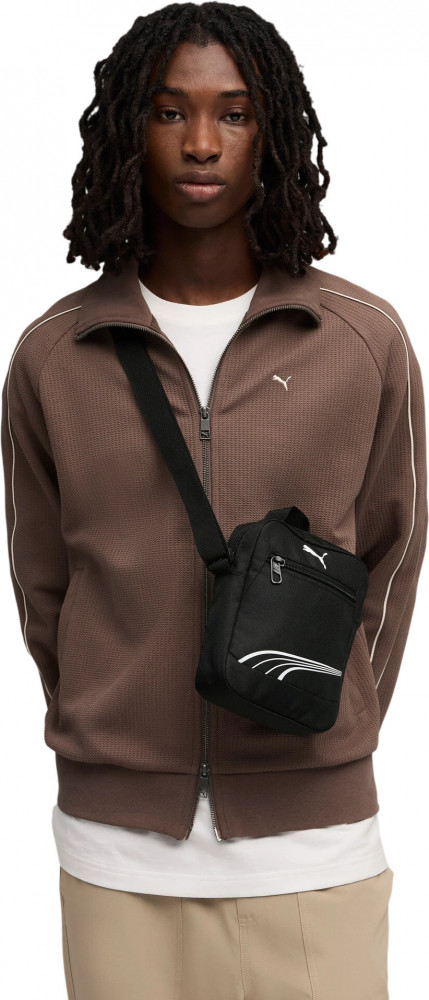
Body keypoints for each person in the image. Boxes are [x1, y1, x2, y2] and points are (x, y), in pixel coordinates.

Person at [1, 4, 427, 998]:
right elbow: (42, 583)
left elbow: (395, 556)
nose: (200, 142)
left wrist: (329, 716)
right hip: (115, 856)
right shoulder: (56, 355)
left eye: (233, 113)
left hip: (314, 854)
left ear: (272, 134)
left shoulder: (360, 339)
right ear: (127, 130)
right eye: (169, 111)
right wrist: (111, 726)